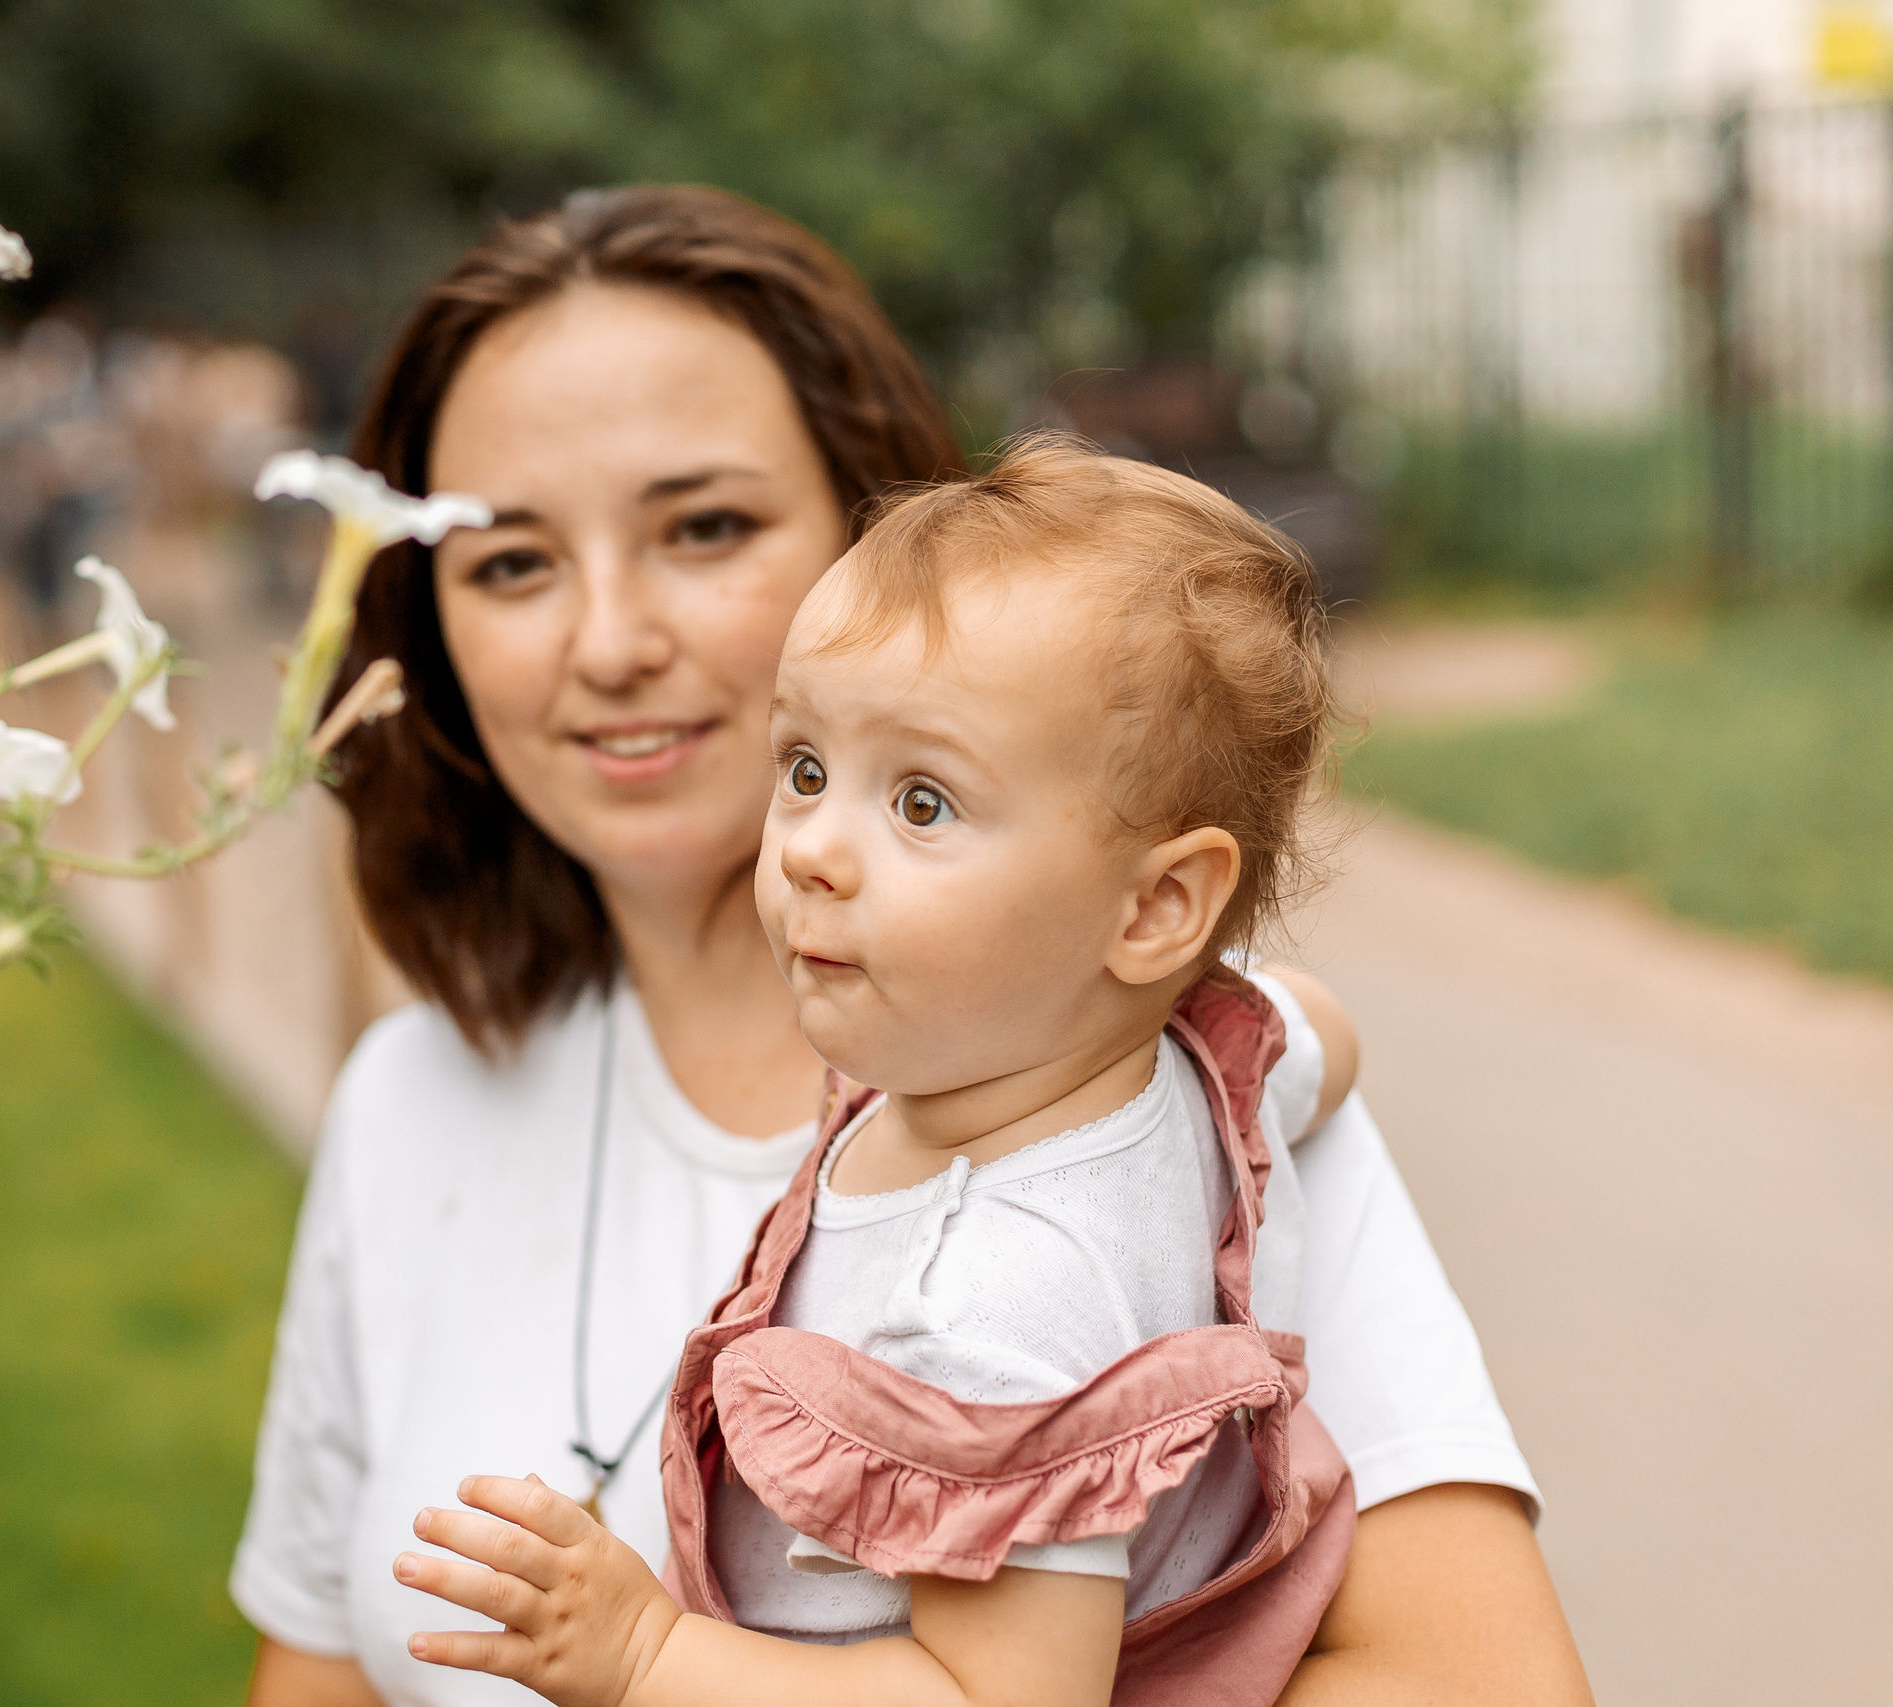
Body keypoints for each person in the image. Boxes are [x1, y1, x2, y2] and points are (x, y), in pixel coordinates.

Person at [233, 185, 1591, 1706]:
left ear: (883, 546)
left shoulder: (1151, 1102)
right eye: (510, 562)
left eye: (706, 527)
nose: (609, 639)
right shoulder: (409, 1101)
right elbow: (319, 1668)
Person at [393, 439, 1358, 1707]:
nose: (811, 852)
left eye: (920, 803)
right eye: (804, 771)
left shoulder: (989, 1311)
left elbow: (995, 1700)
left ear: (1157, 908)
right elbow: (1311, 1036)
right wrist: (1325, 1051)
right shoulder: (1171, 1053)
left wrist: (651, 1657)